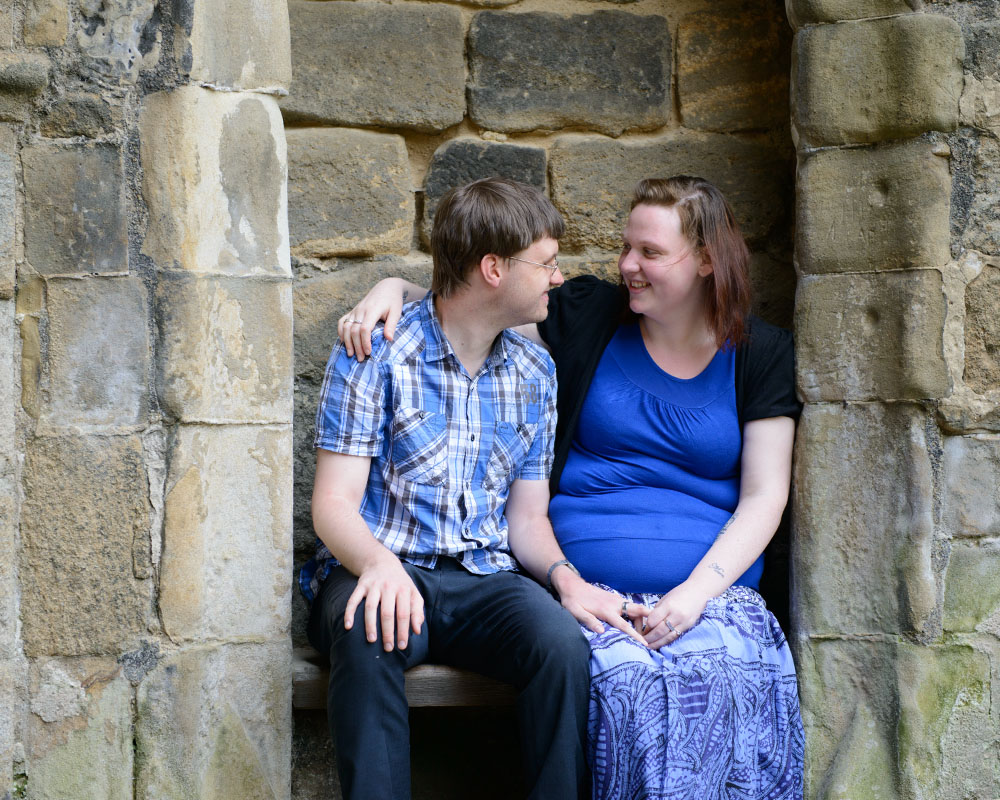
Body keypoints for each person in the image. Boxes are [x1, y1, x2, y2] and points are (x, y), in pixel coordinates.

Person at [338, 176, 805, 799]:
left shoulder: (761, 352)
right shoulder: (591, 315)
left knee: (720, 683)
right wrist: (391, 288)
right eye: (626, 247)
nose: (627, 265)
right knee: (618, 680)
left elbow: (765, 496)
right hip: (591, 590)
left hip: (709, 596)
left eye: (651, 253)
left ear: (707, 261)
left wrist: (693, 596)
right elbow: (467, 306)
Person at [301, 177, 649, 800]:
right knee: (366, 628)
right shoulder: (374, 353)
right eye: (544, 263)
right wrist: (378, 564)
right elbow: (332, 505)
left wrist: (568, 583)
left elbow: (528, 519)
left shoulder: (534, 371)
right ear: (493, 269)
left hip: (484, 579)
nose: (558, 278)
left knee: (559, 644)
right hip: (382, 566)